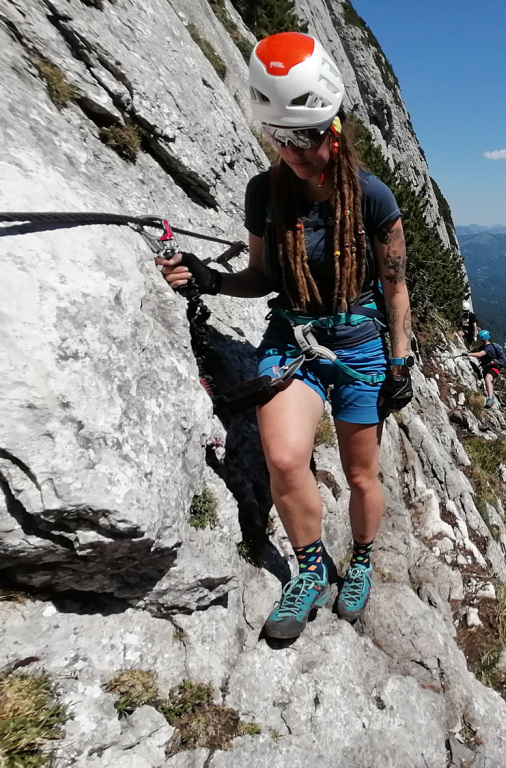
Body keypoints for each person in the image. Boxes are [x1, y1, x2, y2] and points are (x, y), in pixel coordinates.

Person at [157, 32, 414, 640]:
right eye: (282, 138)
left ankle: (361, 562)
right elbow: (262, 276)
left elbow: (397, 287)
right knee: (283, 458)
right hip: (296, 335)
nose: (292, 150)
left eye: (304, 138)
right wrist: (211, 281)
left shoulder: (372, 197)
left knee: (360, 475)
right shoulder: (263, 194)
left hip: (359, 342)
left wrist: (399, 361)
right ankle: (307, 568)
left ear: (334, 129)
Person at [466, 330, 505, 408]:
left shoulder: (489, 348)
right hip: (488, 368)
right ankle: (491, 395)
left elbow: (480, 354)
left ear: (484, 340)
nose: (479, 342)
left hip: (494, 368)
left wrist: (469, 354)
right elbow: (476, 352)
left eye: (480, 340)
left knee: (488, 379)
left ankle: (490, 399)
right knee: (487, 382)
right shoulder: (483, 347)